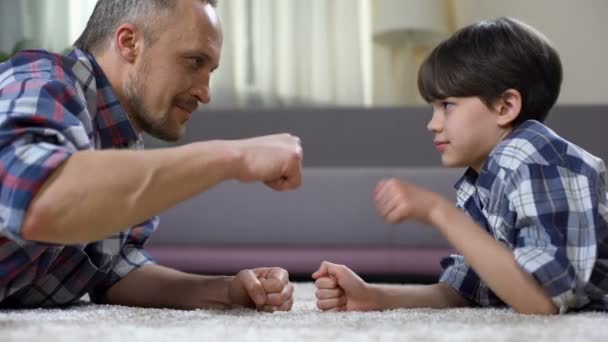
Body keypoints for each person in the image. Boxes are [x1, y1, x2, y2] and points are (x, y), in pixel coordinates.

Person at [0, 0, 301, 311]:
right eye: (194, 61)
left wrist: (228, 290)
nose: (205, 92)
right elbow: (39, 200)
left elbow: (117, 271)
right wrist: (236, 156)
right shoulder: (38, 81)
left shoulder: (122, 146)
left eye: (210, 70)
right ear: (130, 43)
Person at [313, 17, 608, 315]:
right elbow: (465, 291)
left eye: (447, 106)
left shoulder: (539, 161)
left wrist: (437, 211)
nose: (432, 124)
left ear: (505, 106)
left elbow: (541, 301)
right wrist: (373, 296)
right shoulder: (482, 180)